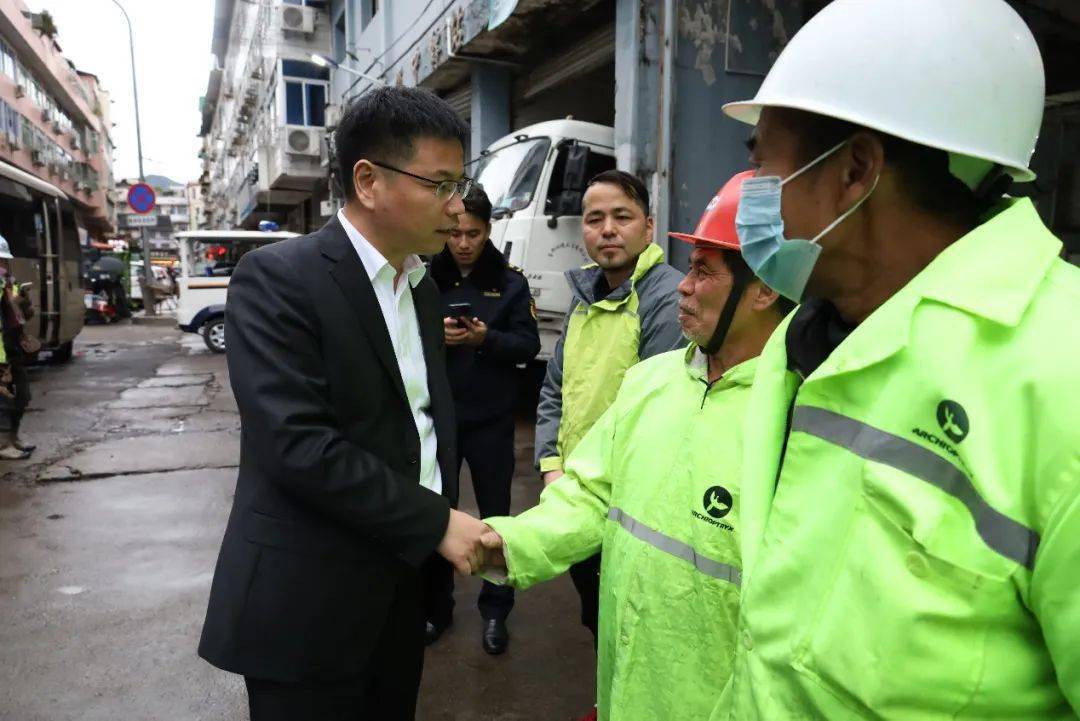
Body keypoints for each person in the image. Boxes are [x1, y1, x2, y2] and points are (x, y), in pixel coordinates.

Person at [713, 0, 1080, 718]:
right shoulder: (807, 337)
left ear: (854, 170)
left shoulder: (1059, 372)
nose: (744, 197)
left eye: (761, 166)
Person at [198, 86, 491, 721]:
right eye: (441, 184)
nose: (457, 204)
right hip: (308, 605)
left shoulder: (420, 289)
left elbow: (420, 426)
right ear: (368, 180)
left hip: (401, 591)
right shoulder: (278, 278)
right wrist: (437, 523)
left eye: (460, 184)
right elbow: (297, 444)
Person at [479, 172, 792, 721]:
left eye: (702, 271)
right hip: (626, 682)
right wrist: (500, 545)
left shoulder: (793, 417)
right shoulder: (652, 381)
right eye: (688, 268)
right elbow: (592, 494)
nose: (683, 287)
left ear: (764, 288)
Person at [534, 171, 685, 710]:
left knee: (629, 621)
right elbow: (554, 389)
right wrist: (552, 467)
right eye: (594, 220)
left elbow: (655, 413)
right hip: (576, 493)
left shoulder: (666, 298)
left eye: (621, 217)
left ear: (648, 226)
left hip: (629, 501)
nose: (607, 230)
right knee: (596, 612)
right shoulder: (583, 296)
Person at [427, 185, 541, 654]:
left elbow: (529, 346)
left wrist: (484, 338)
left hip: (492, 421)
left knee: (497, 519)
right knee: (436, 515)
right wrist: (438, 336)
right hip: (441, 421)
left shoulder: (511, 283)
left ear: (488, 230)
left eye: (473, 233)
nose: (463, 243)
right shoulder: (425, 276)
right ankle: (436, 608)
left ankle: (496, 613)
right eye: (455, 233)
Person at [0, 234, 35, 460]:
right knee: (5, 400)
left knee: (22, 395)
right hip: (0, 352)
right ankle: (4, 445)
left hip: (12, 347)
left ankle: (13, 438)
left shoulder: (8, 284)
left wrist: (22, 300)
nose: (3, 266)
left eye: (4, 262)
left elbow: (24, 315)